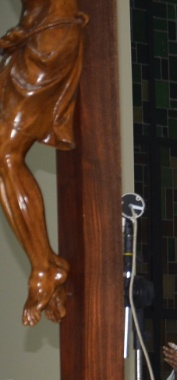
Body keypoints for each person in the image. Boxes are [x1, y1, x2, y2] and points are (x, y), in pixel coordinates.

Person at [0, 0, 87, 326]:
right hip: (40, 34)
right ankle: (47, 262)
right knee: (3, 159)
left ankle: (44, 267)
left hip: (50, 38)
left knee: (5, 154)